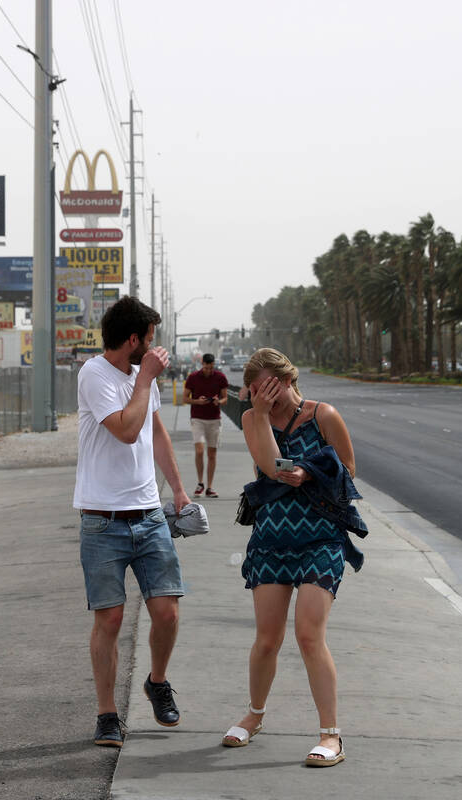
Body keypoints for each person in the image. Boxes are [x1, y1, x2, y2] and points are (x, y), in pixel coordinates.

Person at [222, 347, 366, 767]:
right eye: (254, 390)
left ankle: (331, 735)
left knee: (308, 634)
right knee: (267, 638)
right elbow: (268, 467)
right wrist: (262, 414)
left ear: (287, 380)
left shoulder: (324, 415)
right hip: (272, 538)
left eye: (268, 387)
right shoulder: (252, 418)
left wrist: (310, 471)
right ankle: (255, 715)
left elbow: (350, 468)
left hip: (321, 538)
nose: (261, 396)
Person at [74, 295, 191, 748]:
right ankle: (107, 715)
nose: (154, 347)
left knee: (167, 611)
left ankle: (156, 681)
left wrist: (178, 490)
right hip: (102, 520)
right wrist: (144, 379)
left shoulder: (144, 379)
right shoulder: (95, 374)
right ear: (133, 339)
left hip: (149, 515)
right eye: (150, 339)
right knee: (110, 619)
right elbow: (124, 430)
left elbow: (154, 433)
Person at [183, 353, 229, 498]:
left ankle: (209, 487)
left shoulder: (220, 377)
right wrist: (198, 401)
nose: (209, 370)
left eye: (211, 368)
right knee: (199, 451)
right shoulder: (193, 377)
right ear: (201, 364)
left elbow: (225, 398)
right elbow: (184, 398)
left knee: (212, 454)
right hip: (197, 419)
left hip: (214, 420)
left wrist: (218, 401)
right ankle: (200, 483)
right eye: (206, 367)